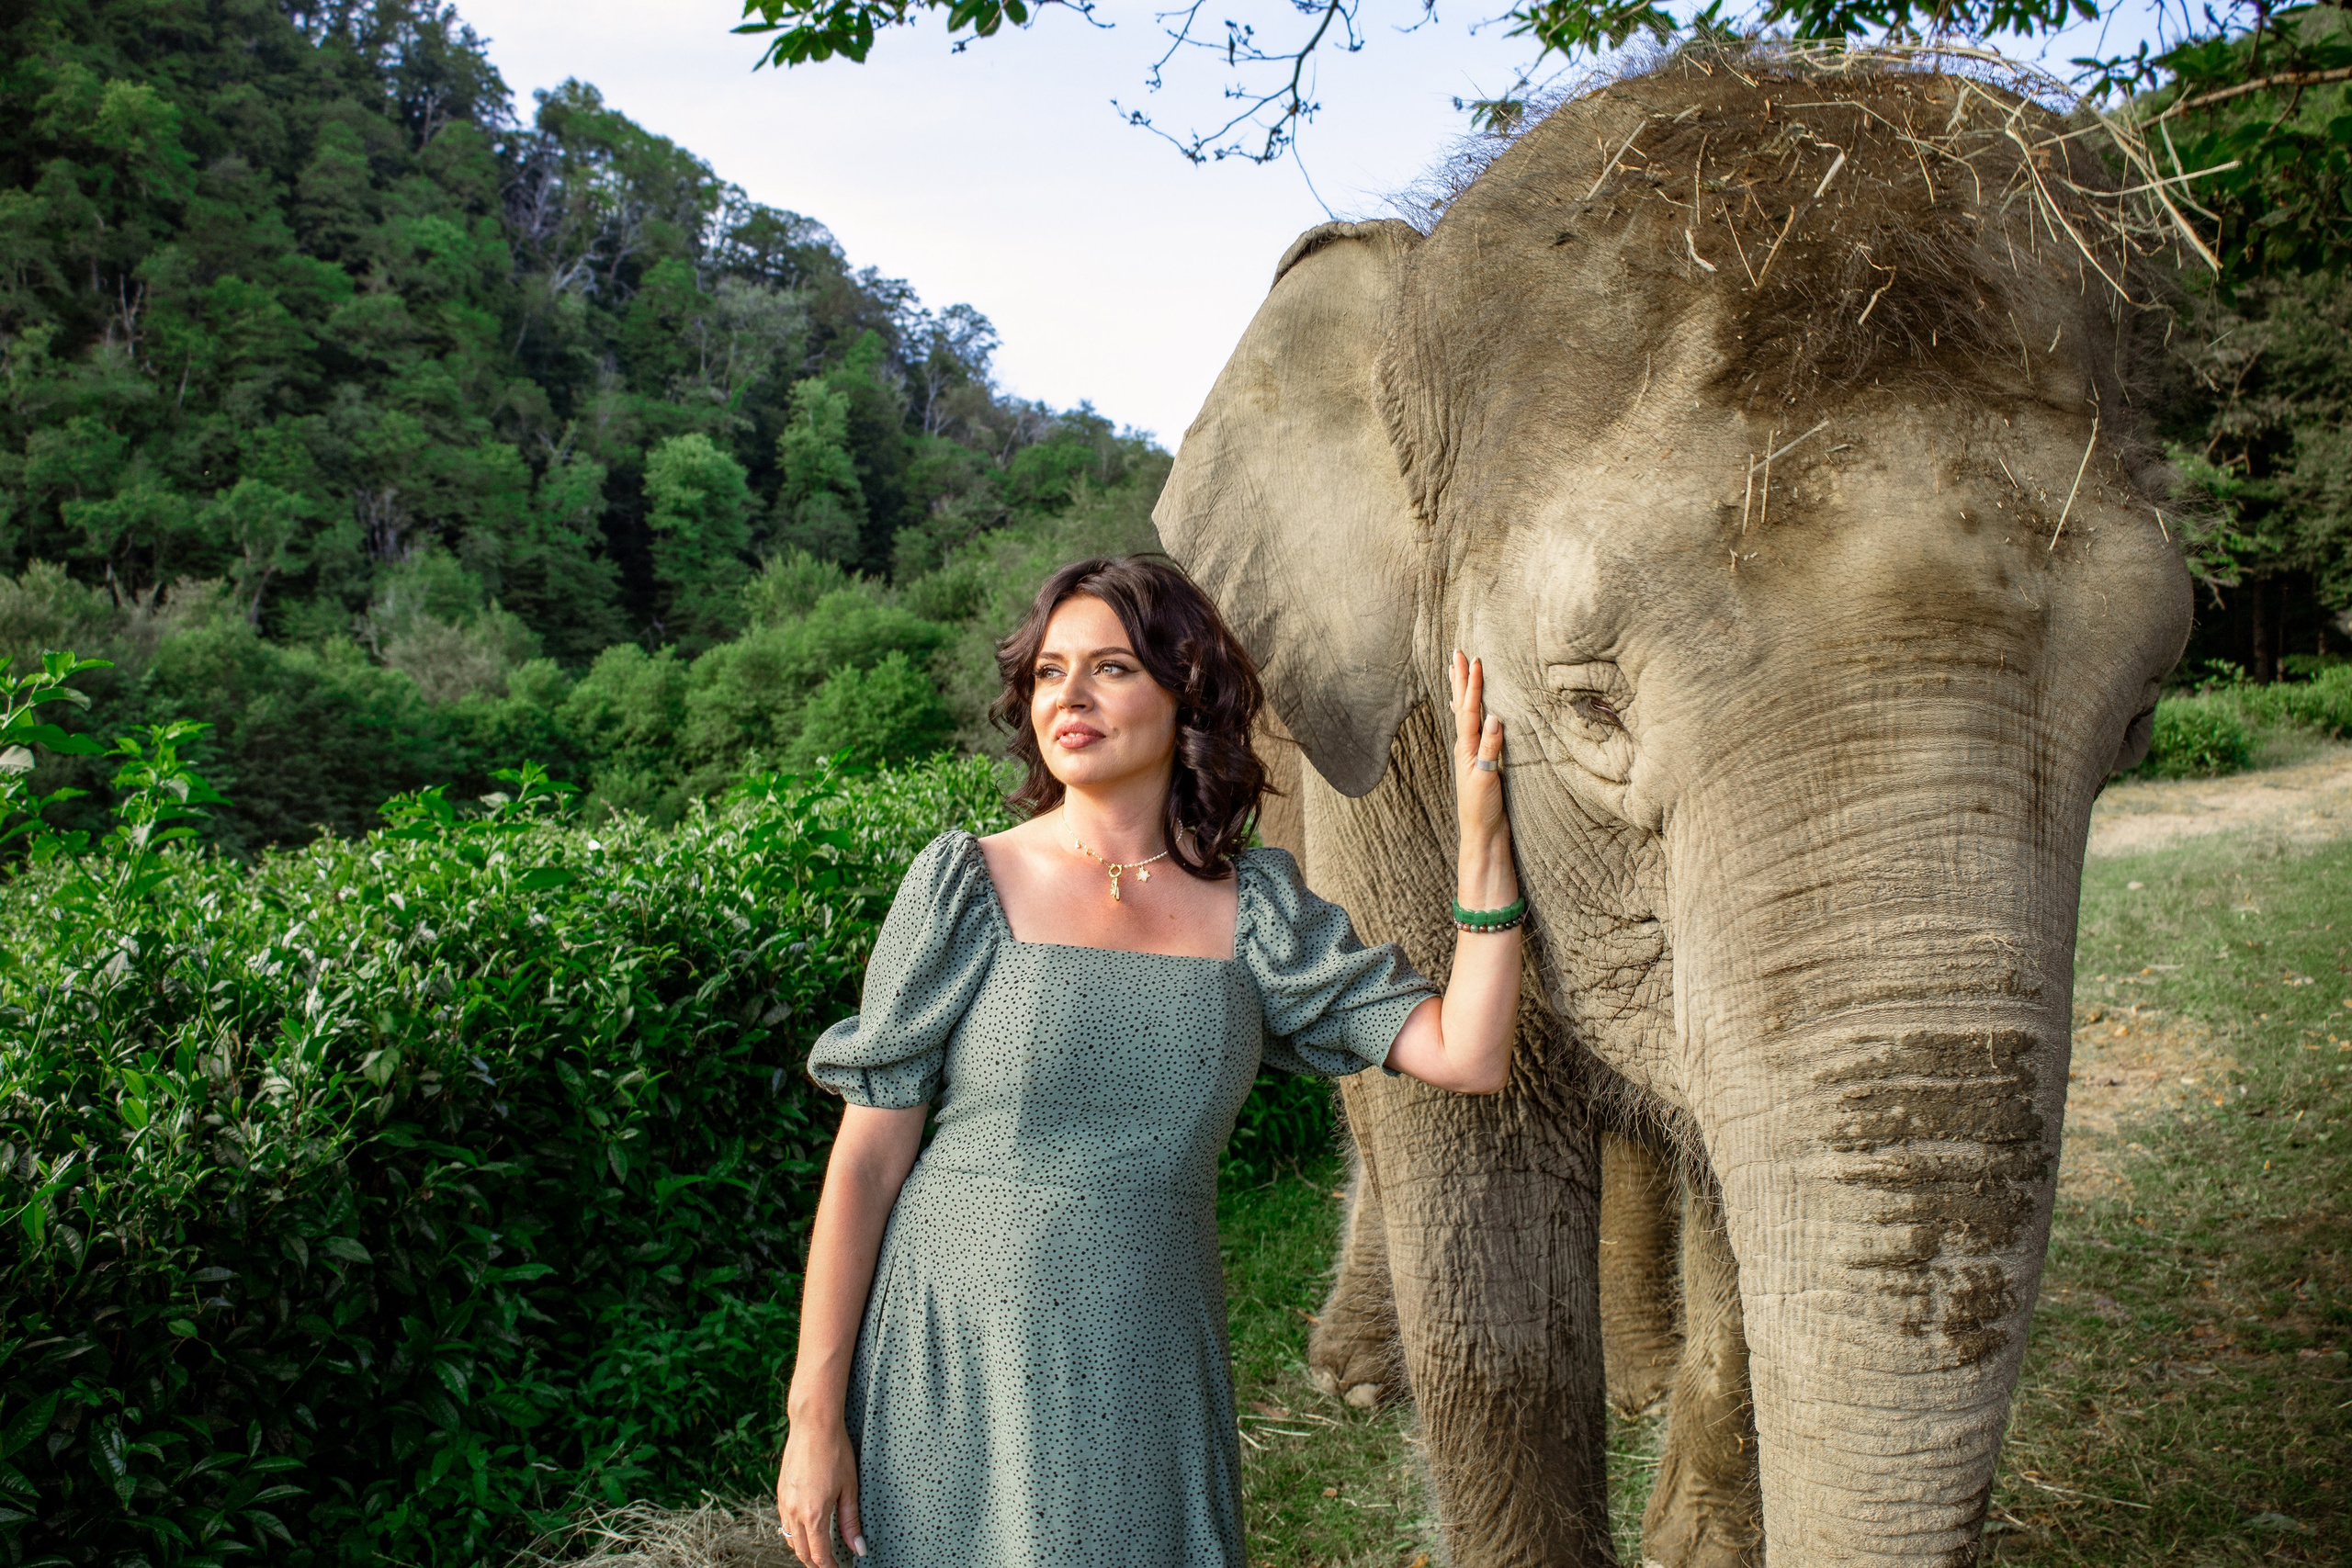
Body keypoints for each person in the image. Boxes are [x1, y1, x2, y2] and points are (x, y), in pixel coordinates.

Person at [775, 555, 1524, 1568]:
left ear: (1188, 692)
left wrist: (1483, 848)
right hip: (953, 1364)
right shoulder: (967, 882)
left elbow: (1467, 1052)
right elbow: (865, 1164)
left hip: (1147, 1368)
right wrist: (813, 1419)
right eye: (1048, 672)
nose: (1068, 698)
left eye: (1111, 668)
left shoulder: (1256, 911)